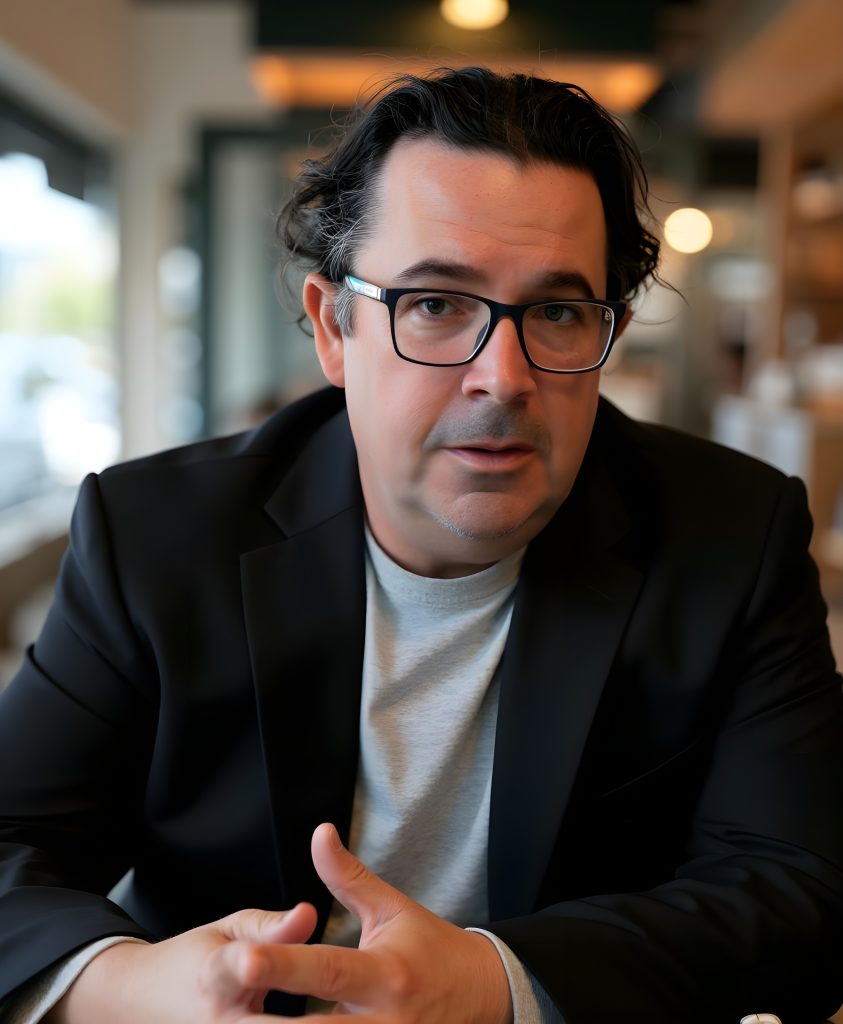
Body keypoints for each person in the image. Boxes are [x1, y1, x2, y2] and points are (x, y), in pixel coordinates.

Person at [0, 66, 841, 1024]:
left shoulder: (728, 535)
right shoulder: (157, 535)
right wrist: (140, 987)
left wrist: (490, 984)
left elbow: (802, 889)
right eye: (437, 304)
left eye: (558, 313)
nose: (503, 378)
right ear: (334, 328)